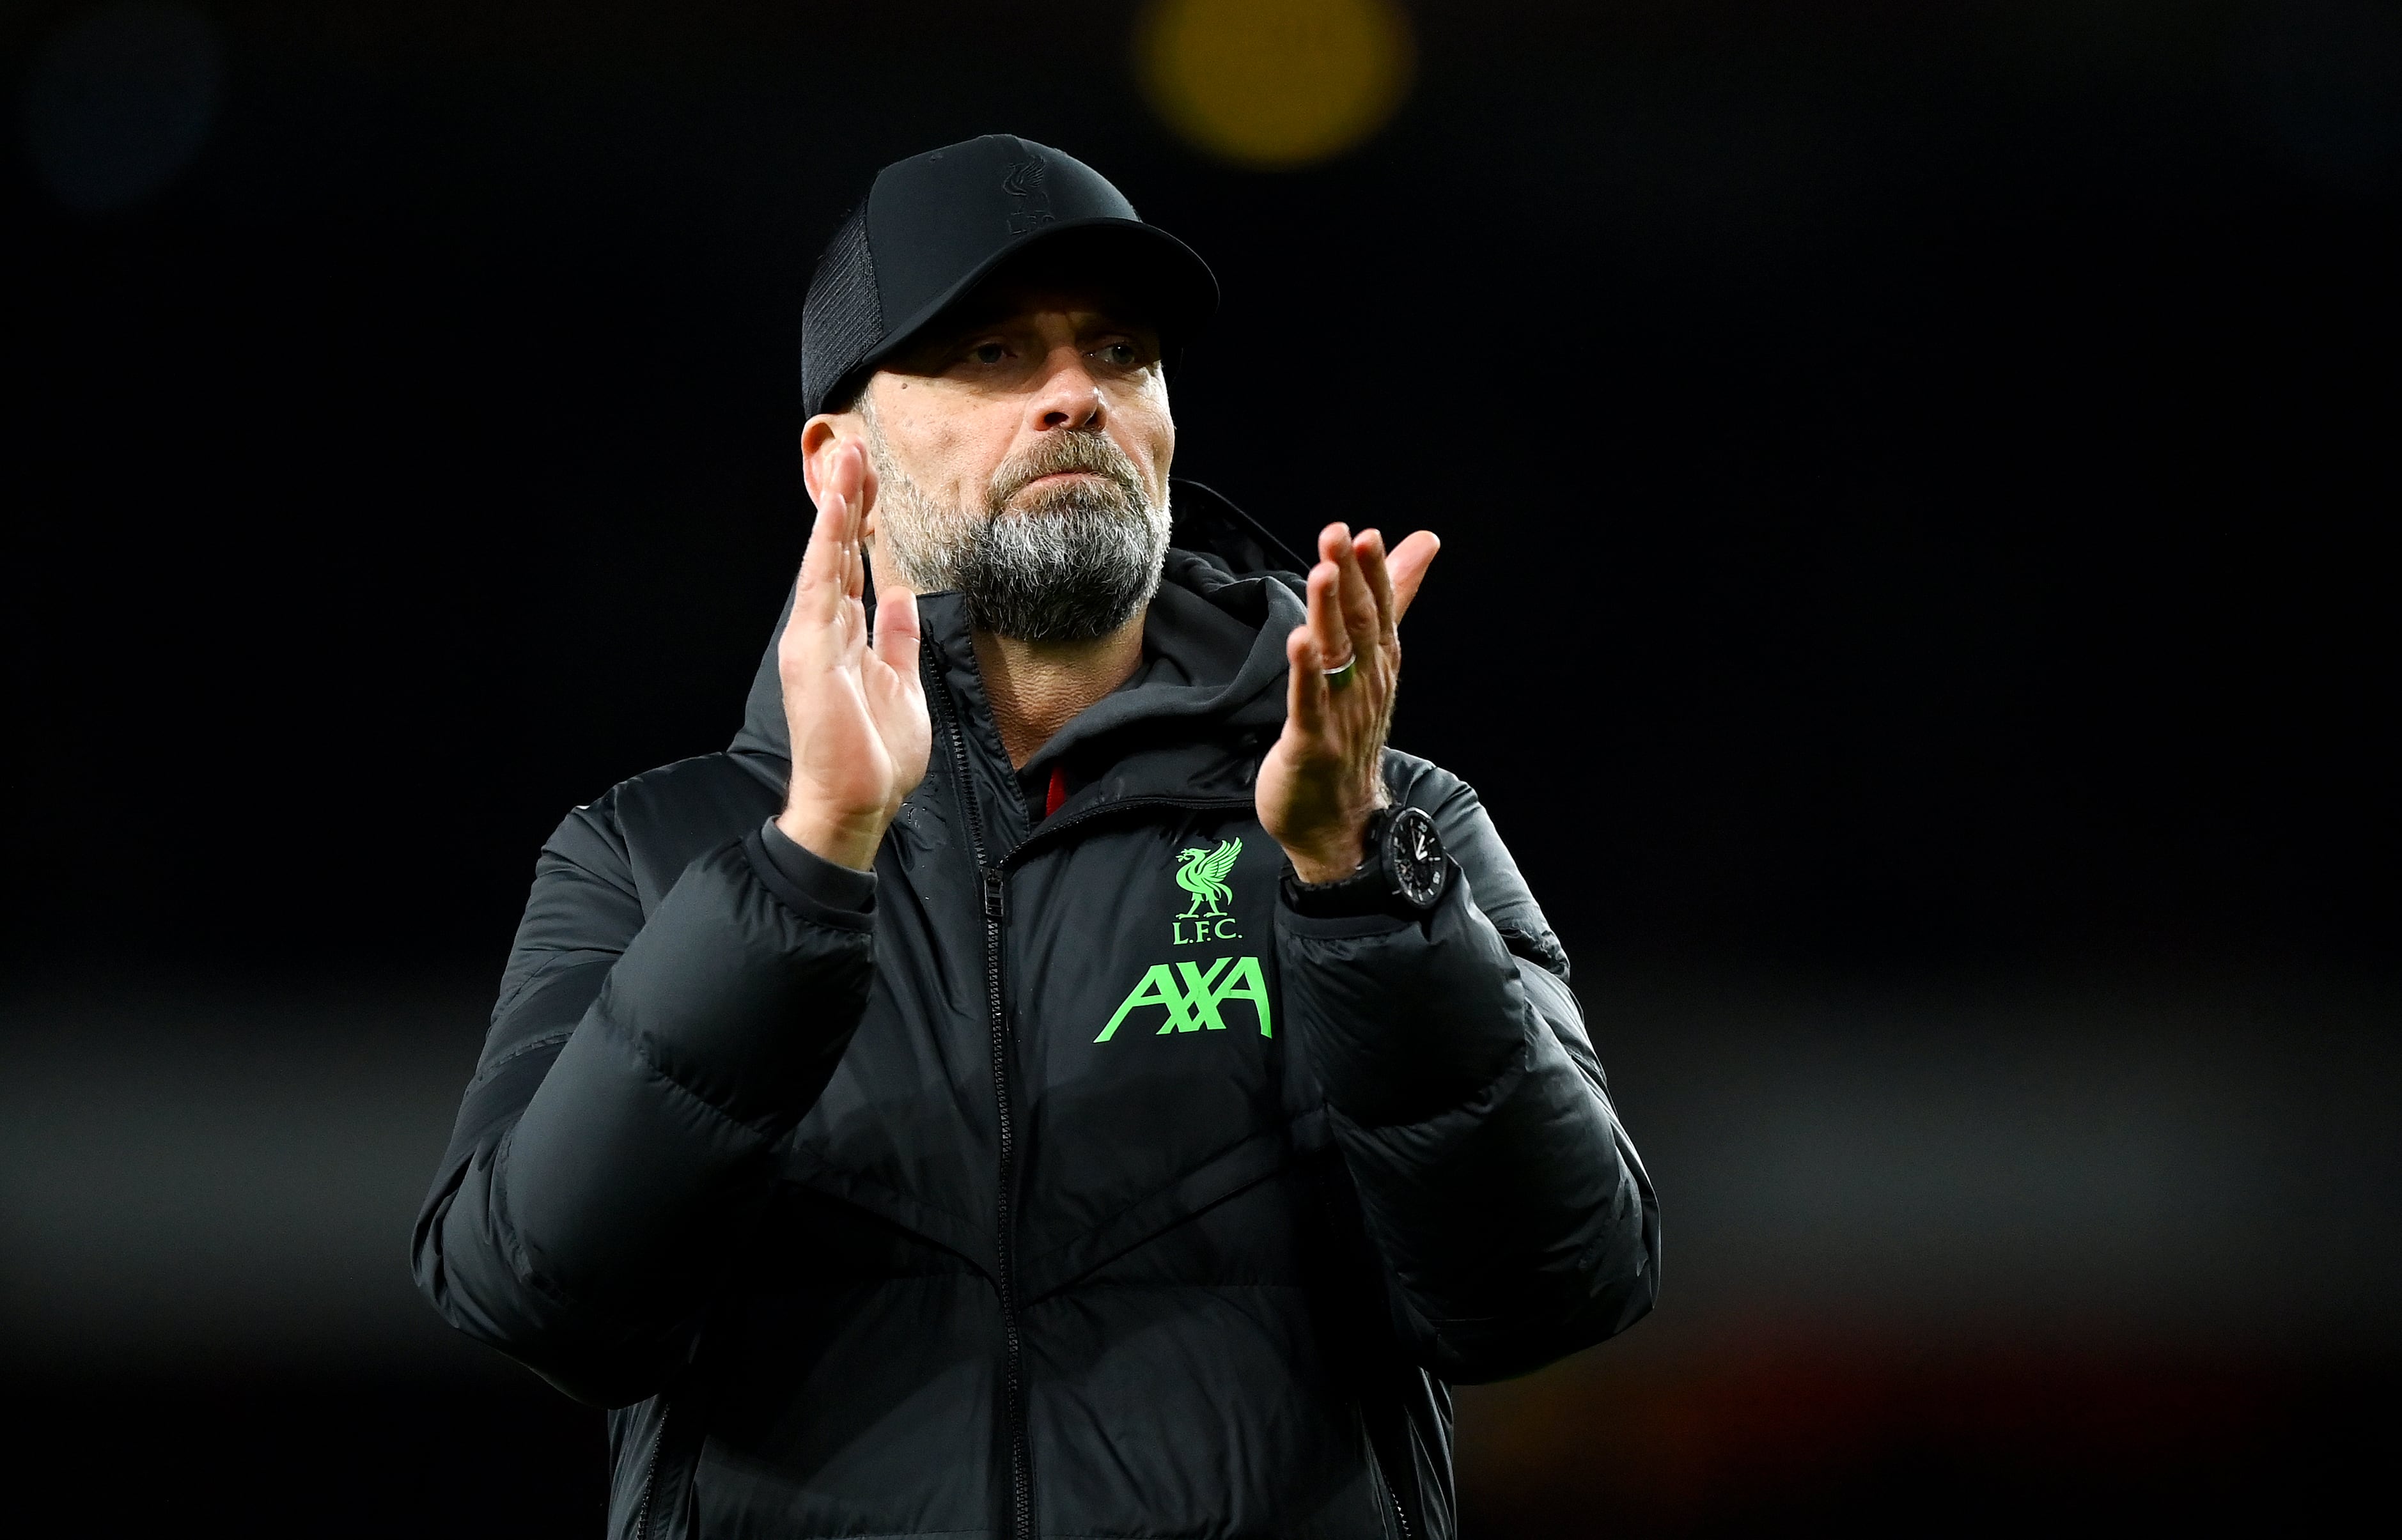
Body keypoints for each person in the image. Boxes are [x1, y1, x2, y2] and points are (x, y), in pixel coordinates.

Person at [414, 134, 1658, 1540]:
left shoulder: (1389, 826)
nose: (1074, 395)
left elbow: (1557, 1287)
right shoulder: (651, 854)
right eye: (993, 355)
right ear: (842, 461)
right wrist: (804, 862)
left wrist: (1356, 885)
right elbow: (535, 1298)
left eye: (1118, 353)